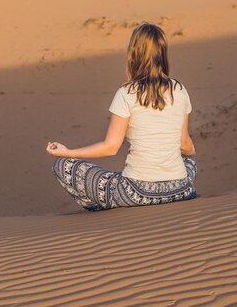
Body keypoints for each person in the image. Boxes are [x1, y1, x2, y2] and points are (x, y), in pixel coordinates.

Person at [46, 23, 197, 211]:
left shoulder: (126, 93)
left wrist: (67, 152)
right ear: (162, 52)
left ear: (134, 53)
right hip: (180, 189)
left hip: (137, 192)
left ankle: (101, 210)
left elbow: (110, 147)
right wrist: (190, 154)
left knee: (62, 166)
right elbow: (185, 144)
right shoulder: (180, 91)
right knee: (189, 162)